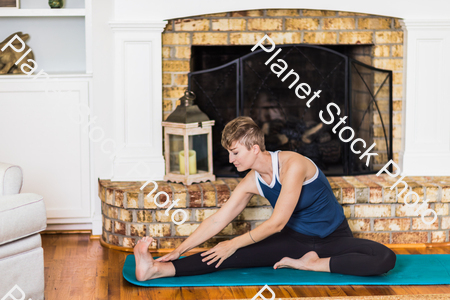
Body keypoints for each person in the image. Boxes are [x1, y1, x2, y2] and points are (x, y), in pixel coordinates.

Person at [133, 116, 396, 281]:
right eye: (229, 153)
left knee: (385, 259)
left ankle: (314, 265)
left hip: (334, 238)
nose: (231, 159)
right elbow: (217, 220)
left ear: (255, 148)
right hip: (294, 240)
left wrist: (232, 243)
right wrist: (180, 250)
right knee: (226, 256)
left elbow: (277, 222)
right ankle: (156, 270)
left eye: (235, 152)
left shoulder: (294, 165)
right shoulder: (252, 181)